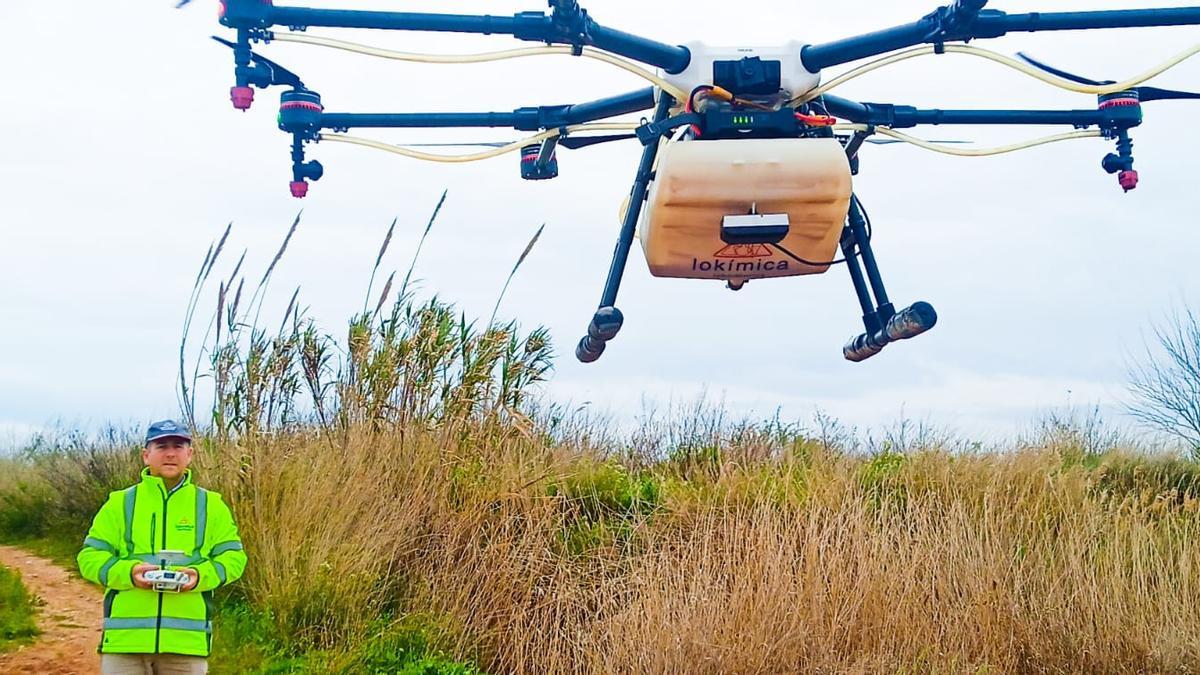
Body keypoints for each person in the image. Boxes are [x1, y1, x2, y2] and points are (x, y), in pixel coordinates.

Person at [77, 419, 247, 675]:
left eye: (178, 446)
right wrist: (130, 573)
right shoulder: (120, 502)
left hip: (186, 647)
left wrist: (200, 576)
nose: (170, 453)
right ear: (146, 455)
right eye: (161, 446)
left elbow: (234, 559)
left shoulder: (211, 505)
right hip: (125, 644)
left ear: (189, 455)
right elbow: (89, 558)